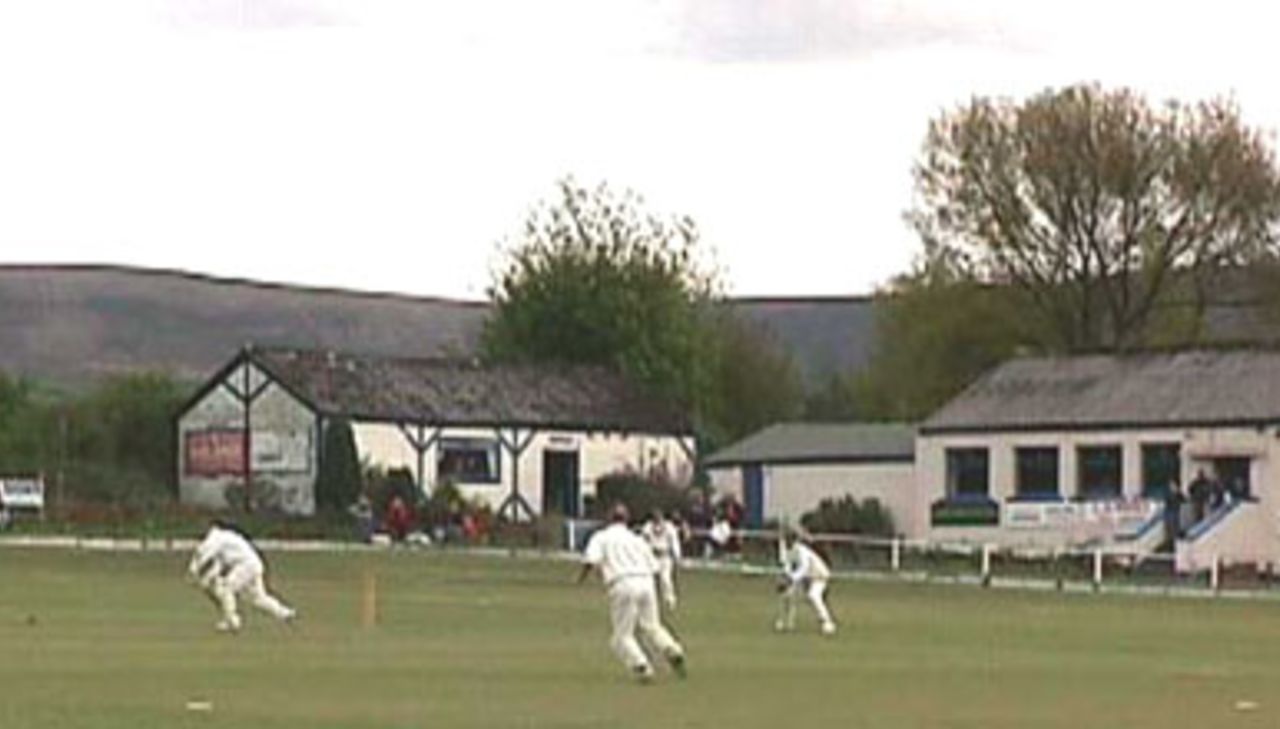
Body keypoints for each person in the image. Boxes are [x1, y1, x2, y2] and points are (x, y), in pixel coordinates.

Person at [577, 504, 687, 683]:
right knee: (652, 625)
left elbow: (591, 560)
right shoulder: (637, 539)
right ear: (626, 520)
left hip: (622, 582)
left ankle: (641, 665)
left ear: (608, 518)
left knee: (621, 636)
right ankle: (672, 649)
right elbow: (654, 566)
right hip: (646, 582)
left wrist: (580, 579)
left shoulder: (601, 537)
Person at [187, 520, 297, 633]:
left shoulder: (216, 538)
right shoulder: (225, 537)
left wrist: (193, 572)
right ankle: (285, 613)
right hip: (254, 564)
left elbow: (203, 555)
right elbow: (218, 564)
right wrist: (208, 578)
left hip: (246, 566)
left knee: (226, 588)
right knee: (258, 597)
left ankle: (232, 621)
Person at [775, 530, 836, 635]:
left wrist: (791, 579)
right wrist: (786, 577)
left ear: (795, 541)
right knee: (788, 595)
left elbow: (804, 567)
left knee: (814, 595)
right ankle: (788, 623)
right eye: (787, 540)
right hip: (806, 576)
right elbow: (787, 565)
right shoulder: (786, 550)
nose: (788, 543)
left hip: (819, 574)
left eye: (791, 540)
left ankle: (827, 621)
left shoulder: (802, 551)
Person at [640, 509, 682, 611]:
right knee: (648, 580)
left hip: (665, 556)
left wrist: (677, 556)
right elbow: (643, 541)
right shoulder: (647, 527)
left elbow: (674, 542)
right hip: (652, 556)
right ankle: (648, 602)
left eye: (658, 518)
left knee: (665, 580)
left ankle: (670, 600)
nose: (657, 520)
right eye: (655, 518)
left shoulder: (669, 527)